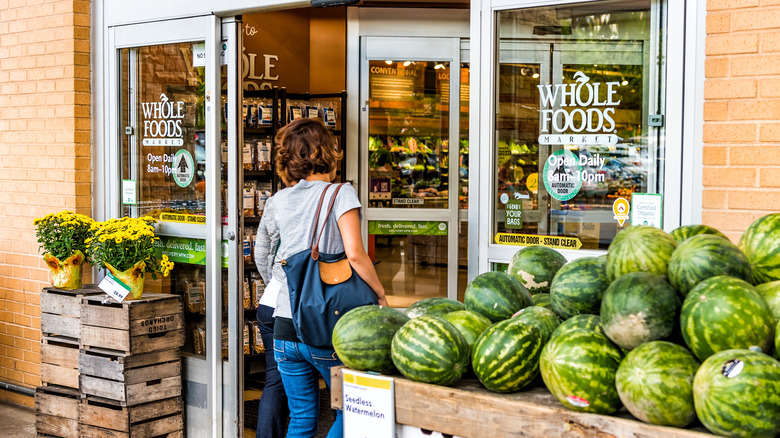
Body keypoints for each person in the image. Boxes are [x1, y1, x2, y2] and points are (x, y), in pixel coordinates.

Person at [255, 117, 388, 438]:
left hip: (285, 327)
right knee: (351, 411)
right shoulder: (341, 193)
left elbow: (262, 254)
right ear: (326, 153)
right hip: (328, 326)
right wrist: (381, 295)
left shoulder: (277, 200)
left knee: (301, 417)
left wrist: (288, 285)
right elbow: (355, 254)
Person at [254, 192, 290, 438]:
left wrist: (273, 282)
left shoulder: (275, 200)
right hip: (295, 307)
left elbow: (261, 251)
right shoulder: (324, 198)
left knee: (274, 382)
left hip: (269, 303)